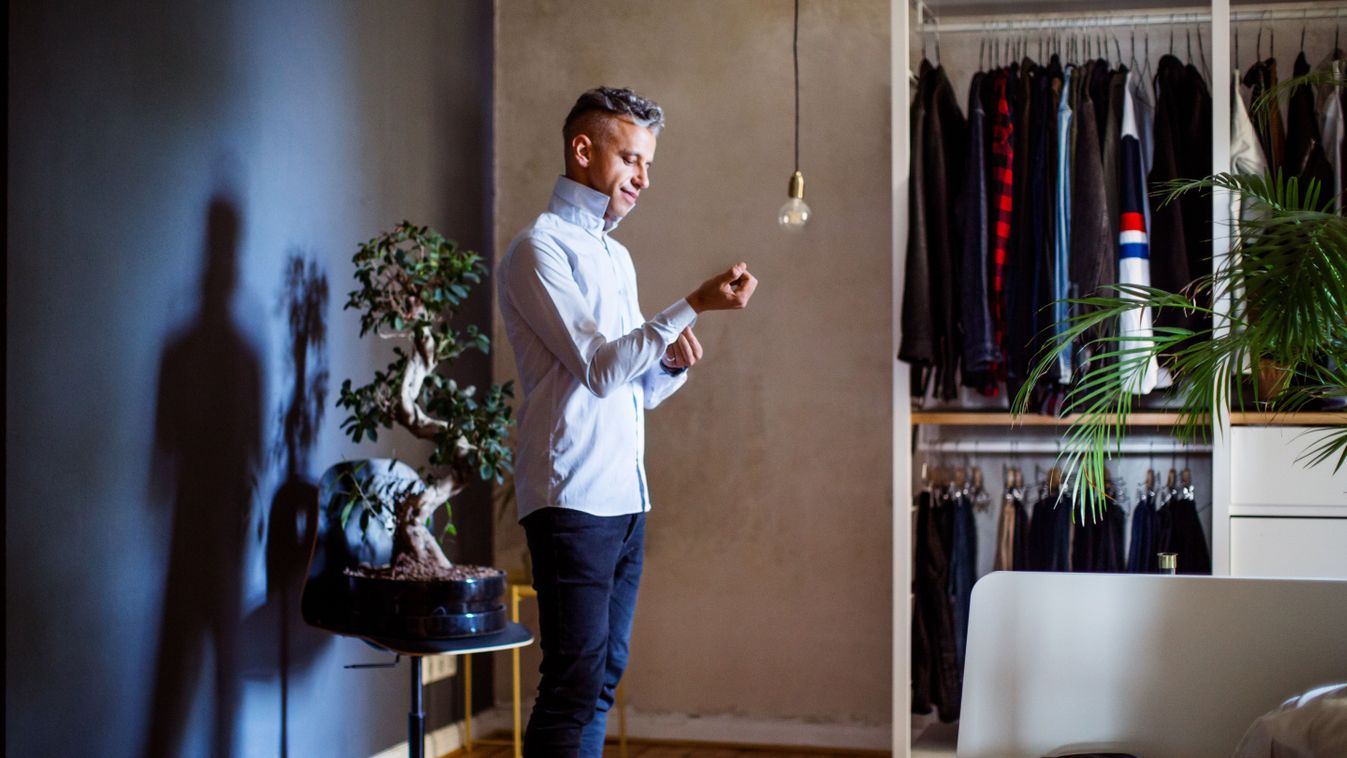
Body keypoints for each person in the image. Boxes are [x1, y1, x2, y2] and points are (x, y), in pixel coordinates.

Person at [497, 86, 758, 757]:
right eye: (631, 158)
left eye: (649, 164)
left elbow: (631, 391)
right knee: (571, 684)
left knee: (602, 680)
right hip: (571, 500)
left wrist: (668, 363)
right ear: (583, 151)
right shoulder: (539, 249)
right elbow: (597, 368)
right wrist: (689, 304)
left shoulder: (616, 256)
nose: (643, 178)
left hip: (625, 498)